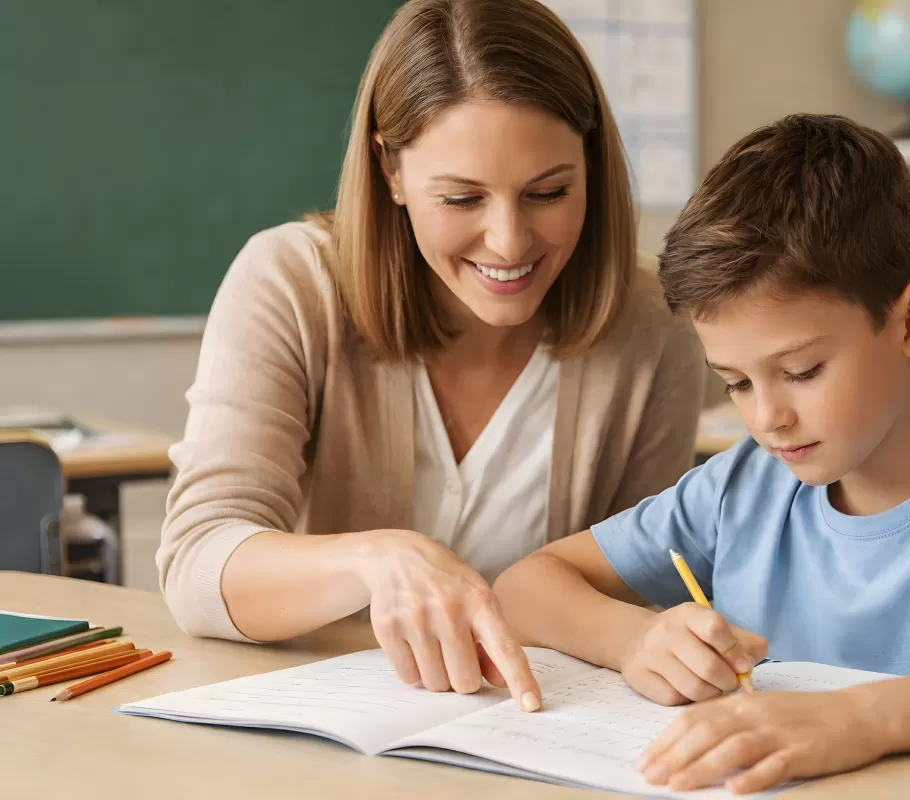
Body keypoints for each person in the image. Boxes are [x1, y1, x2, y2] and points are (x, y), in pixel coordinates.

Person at [493, 113, 910, 792]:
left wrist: (857, 720)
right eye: (736, 383)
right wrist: (633, 639)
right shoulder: (742, 488)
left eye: (802, 371)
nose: (767, 418)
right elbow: (523, 588)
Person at [156, 0, 707, 715]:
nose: (509, 241)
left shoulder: (653, 325)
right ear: (389, 168)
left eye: (548, 192)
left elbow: (642, 579)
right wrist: (378, 561)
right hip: (330, 733)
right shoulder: (290, 284)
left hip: (540, 733)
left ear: (592, 165)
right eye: (461, 198)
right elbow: (198, 560)